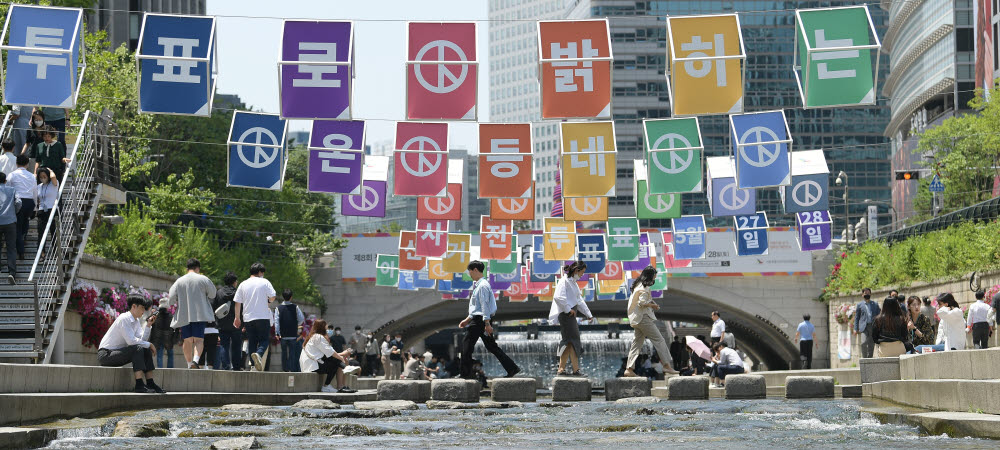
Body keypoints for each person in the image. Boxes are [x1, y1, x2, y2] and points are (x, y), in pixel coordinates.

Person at [459, 260, 521, 379]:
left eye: (470, 272)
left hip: (480, 321)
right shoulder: (481, 285)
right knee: (491, 347)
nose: (470, 274)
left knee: (466, 346)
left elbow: (484, 305)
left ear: (475, 270)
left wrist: (487, 323)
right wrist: (468, 319)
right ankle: (512, 368)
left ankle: (465, 374)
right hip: (480, 320)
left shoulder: (482, 286)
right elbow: (477, 306)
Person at [97, 295, 166, 393]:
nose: (144, 310)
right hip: (106, 355)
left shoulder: (136, 321)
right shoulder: (124, 318)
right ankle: (139, 384)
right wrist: (149, 344)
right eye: (142, 307)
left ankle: (150, 383)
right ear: (134, 306)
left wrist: (148, 325)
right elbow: (131, 341)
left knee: (144, 348)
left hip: (118, 353)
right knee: (138, 348)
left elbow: (141, 340)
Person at [624, 266, 679, 377]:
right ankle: (666, 365)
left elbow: (642, 300)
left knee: (636, 344)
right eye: (654, 275)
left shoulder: (638, 285)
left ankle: (629, 369)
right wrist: (652, 305)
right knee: (659, 340)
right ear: (650, 276)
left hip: (636, 319)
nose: (655, 277)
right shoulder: (644, 288)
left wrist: (651, 302)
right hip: (643, 318)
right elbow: (641, 302)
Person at [166, 258, 218, 369]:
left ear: (187, 268)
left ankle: (189, 364)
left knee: (187, 340)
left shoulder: (179, 281)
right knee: (199, 340)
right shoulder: (203, 279)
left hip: (184, 315)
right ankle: (196, 360)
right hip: (200, 314)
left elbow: (170, 299)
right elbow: (213, 294)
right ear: (198, 268)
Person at [549, 261, 594, 376]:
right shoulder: (564, 281)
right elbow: (558, 297)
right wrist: (568, 309)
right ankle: (574, 370)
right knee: (572, 340)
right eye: (582, 272)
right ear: (576, 270)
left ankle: (562, 369)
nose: (582, 275)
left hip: (569, 314)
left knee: (569, 341)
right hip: (566, 314)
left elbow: (579, 300)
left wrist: (588, 314)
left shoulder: (573, 282)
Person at [233, 262, 277, 372]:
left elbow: (237, 302)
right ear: (260, 272)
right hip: (262, 317)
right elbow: (272, 297)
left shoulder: (243, 284)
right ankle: (258, 354)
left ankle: (253, 366)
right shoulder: (265, 282)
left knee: (252, 341)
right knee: (264, 340)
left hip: (248, 318)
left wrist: (237, 317)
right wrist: (268, 301)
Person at [299, 319, 356, 393]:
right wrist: (341, 358)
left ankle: (343, 376)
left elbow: (329, 352)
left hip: (313, 363)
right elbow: (330, 352)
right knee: (336, 361)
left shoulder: (314, 336)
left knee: (336, 360)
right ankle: (328, 385)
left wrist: (342, 355)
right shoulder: (318, 337)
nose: (327, 328)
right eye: (326, 326)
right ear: (322, 327)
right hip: (312, 366)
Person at [7, 155, 34, 261]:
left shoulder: (11, 175)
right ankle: (23, 239)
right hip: (29, 202)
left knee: (17, 227)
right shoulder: (31, 176)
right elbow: (35, 191)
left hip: (18, 202)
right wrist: (35, 206)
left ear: (16, 163)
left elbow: (8, 190)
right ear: (27, 164)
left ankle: (21, 250)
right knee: (25, 221)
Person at [213, 271, 241, 371]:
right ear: (234, 282)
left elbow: (214, 308)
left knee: (224, 345)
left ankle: (226, 366)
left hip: (222, 324)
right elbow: (242, 308)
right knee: (237, 346)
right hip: (236, 324)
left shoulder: (219, 292)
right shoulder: (238, 292)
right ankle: (237, 367)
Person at [274, 288, 304, 372]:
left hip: (283, 335)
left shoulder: (278, 308)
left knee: (284, 353)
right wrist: (296, 325)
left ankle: (285, 369)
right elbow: (301, 319)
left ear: (283, 297)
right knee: (292, 353)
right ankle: (291, 369)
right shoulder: (295, 307)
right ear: (291, 297)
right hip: (293, 334)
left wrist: (277, 333)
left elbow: (276, 322)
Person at [34, 167, 57, 249]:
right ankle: (41, 253)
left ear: (48, 176)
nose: (42, 179)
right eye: (41, 177)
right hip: (41, 211)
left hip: (52, 210)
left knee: (53, 231)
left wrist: (50, 170)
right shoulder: (39, 186)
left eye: (44, 176)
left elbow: (53, 177)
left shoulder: (53, 184)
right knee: (41, 232)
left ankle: (56, 251)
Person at [854, 288, 878, 358]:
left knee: (871, 343)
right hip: (863, 327)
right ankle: (864, 358)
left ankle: (869, 358)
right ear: (862, 295)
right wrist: (856, 328)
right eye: (865, 293)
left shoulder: (875, 304)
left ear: (870, 294)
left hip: (872, 326)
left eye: (868, 293)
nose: (867, 294)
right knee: (863, 342)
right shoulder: (859, 305)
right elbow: (857, 317)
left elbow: (879, 315)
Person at [149, 305, 175, 369]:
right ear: (166, 307)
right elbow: (174, 326)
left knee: (159, 355)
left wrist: (153, 313)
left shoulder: (155, 315)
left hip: (158, 338)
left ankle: (160, 369)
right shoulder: (170, 316)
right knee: (170, 355)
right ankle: (170, 369)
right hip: (168, 338)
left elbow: (148, 320)